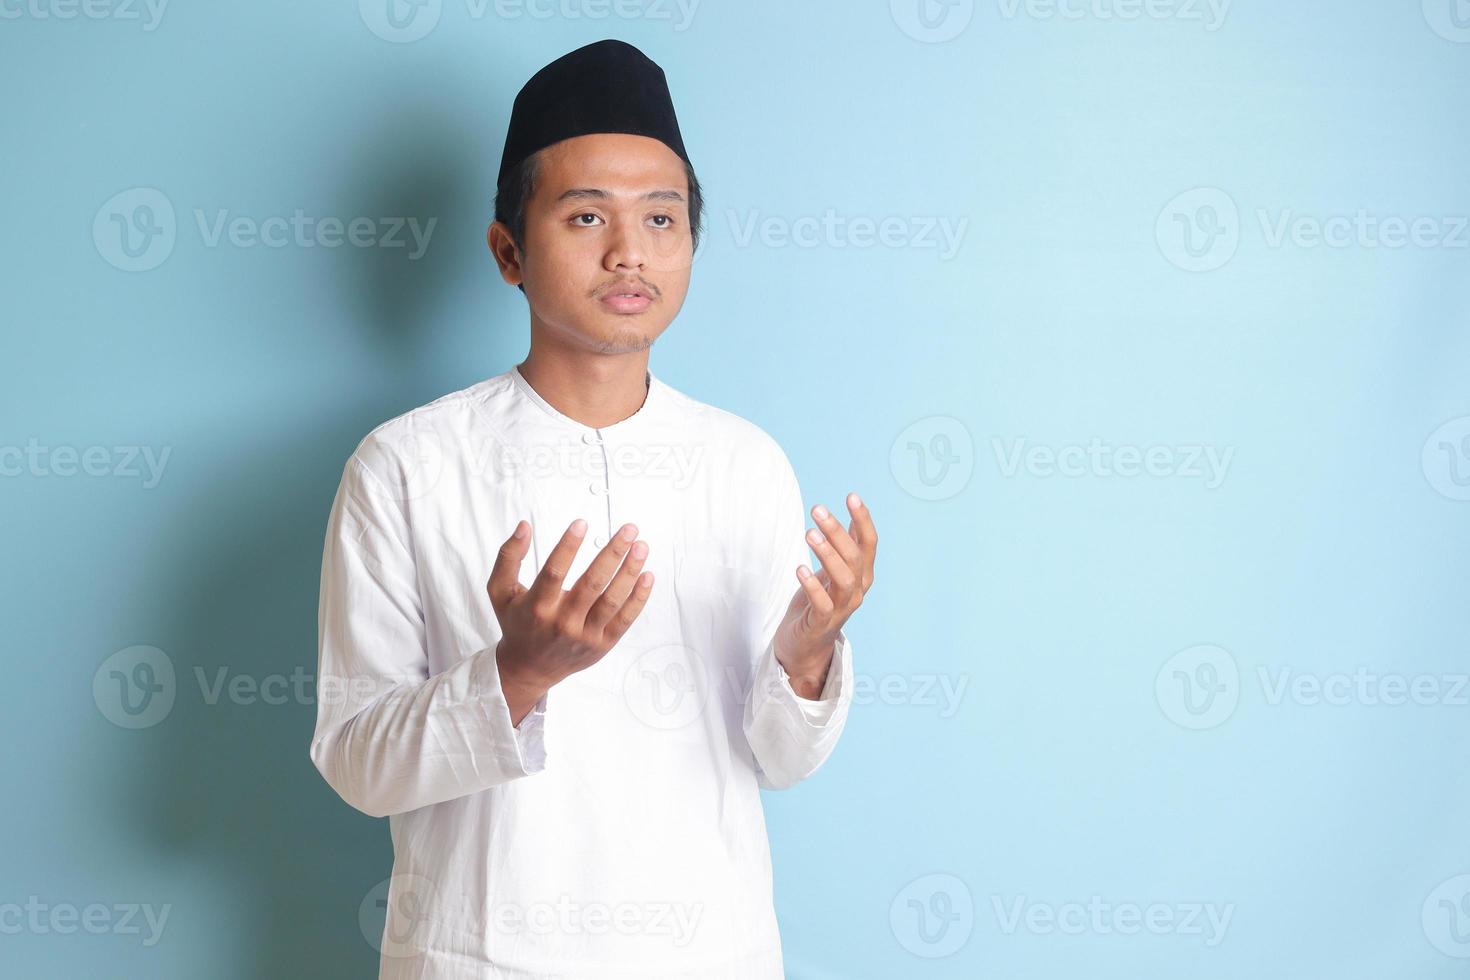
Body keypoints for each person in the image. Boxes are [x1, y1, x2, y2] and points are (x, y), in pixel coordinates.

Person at [310, 38, 878, 979]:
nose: (630, 252)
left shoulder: (745, 463)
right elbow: (357, 760)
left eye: (662, 218)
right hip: (482, 958)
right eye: (585, 217)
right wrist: (518, 673)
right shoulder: (405, 466)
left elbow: (780, 761)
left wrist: (809, 653)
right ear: (508, 251)